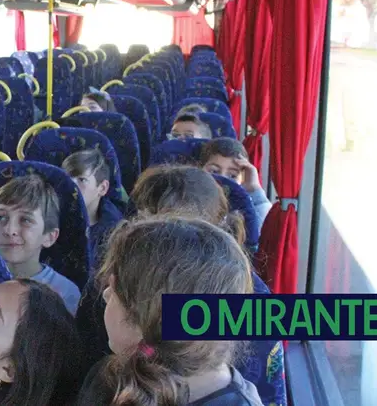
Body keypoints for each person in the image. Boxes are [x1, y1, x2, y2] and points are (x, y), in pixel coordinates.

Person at [77, 218, 263, 406]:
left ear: (146, 318)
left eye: (114, 288)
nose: (106, 294)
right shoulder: (114, 377)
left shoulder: (110, 384)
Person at [0, 175, 80, 314]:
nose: (10, 230)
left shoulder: (65, 293)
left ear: (49, 237)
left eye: (25, 220)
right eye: (1, 217)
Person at [62, 149, 123, 263]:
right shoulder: (52, 218)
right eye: (67, 179)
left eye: (82, 180)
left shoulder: (114, 233)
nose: (71, 186)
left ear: (102, 188)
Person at [199, 137, 272, 224]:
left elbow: (263, 225)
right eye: (214, 171)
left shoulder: (241, 209)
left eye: (232, 176)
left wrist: (254, 189)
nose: (222, 178)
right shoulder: (191, 197)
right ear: (199, 169)